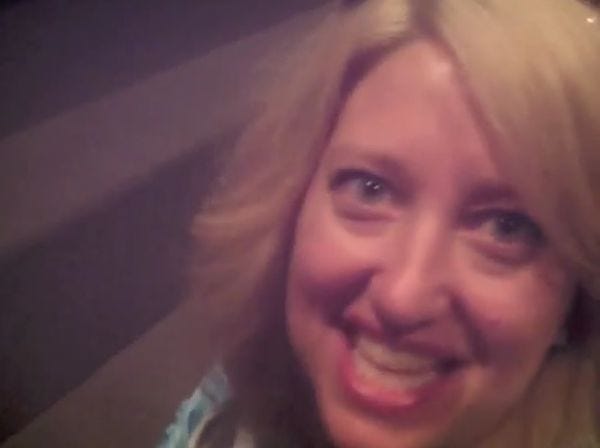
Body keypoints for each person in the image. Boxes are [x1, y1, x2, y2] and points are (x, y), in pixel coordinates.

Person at [160, 0, 600, 446]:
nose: (403, 298)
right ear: (294, 200)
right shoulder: (233, 396)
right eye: (369, 189)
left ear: (578, 297)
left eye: (505, 227)